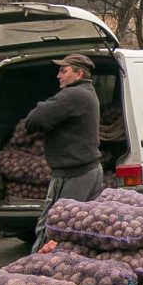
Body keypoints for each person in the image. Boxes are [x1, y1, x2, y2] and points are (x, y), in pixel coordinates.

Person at [27, 53, 105, 250]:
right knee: (80, 229)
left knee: (52, 229)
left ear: (78, 74)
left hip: (74, 176)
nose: (58, 76)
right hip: (90, 171)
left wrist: (41, 108)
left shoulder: (73, 95)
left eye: (64, 71)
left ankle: (36, 273)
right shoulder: (88, 92)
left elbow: (35, 120)